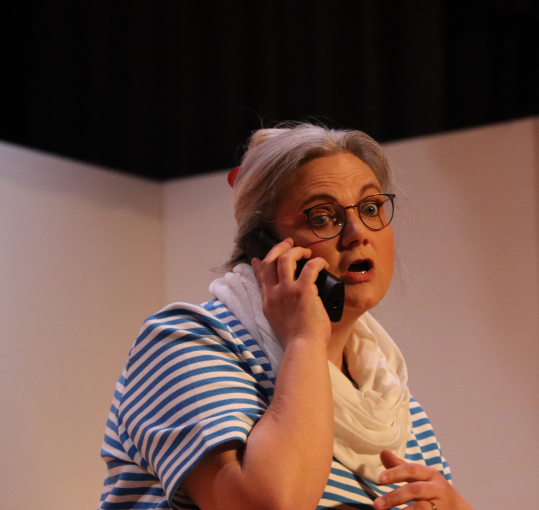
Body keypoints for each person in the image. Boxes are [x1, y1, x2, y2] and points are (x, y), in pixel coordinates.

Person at [98, 124, 474, 510]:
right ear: (265, 245)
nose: (358, 233)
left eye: (370, 208)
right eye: (323, 217)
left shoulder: (394, 402)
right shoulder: (185, 341)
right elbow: (269, 504)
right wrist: (305, 340)